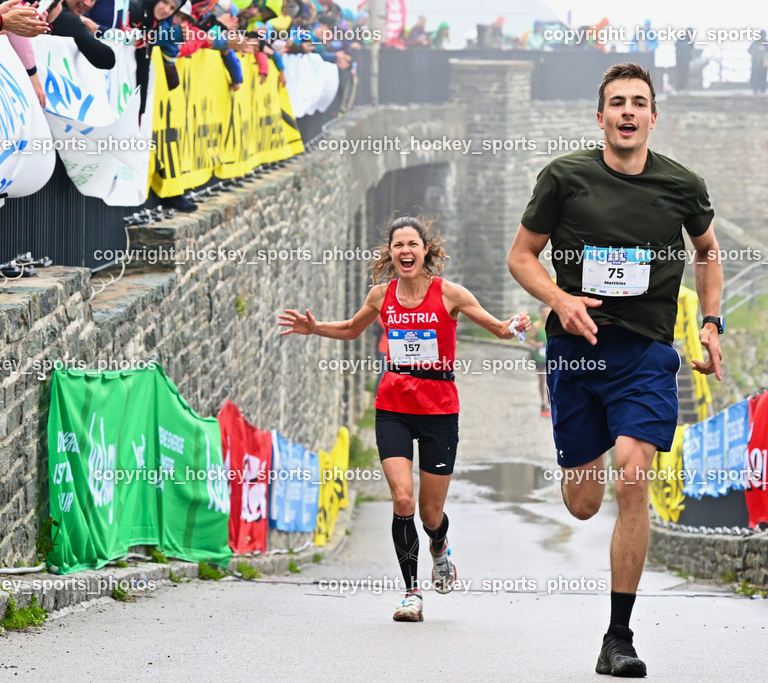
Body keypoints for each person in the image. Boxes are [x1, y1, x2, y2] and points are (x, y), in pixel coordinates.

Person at [507, 62, 723, 677]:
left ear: (654, 116)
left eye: (639, 103)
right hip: (577, 353)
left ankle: (618, 638)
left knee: (634, 480)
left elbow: (708, 253)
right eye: (616, 103)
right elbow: (522, 255)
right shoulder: (565, 178)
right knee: (582, 501)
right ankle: (584, 454)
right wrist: (559, 299)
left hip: (646, 356)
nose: (628, 112)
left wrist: (710, 323)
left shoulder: (682, 185)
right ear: (599, 115)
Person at [280, 216, 531, 623]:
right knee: (402, 500)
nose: (405, 251)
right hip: (393, 405)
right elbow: (350, 329)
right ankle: (411, 593)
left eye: (412, 244)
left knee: (431, 514)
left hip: (439, 410)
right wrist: (315, 328)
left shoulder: (449, 293)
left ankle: (439, 545)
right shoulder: (381, 296)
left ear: (425, 250)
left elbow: (498, 329)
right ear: (391, 253)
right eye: (398, 245)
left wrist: (515, 326)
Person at [527, 303, 550, 417]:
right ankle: (543, 402)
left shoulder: (552, 324)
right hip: (540, 357)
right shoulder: (537, 325)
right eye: (544, 312)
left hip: (550, 356)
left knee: (550, 381)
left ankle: (549, 403)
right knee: (542, 380)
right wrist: (536, 344)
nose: (546, 313)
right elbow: (529, 339)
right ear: (541, 312)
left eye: (547, 311)